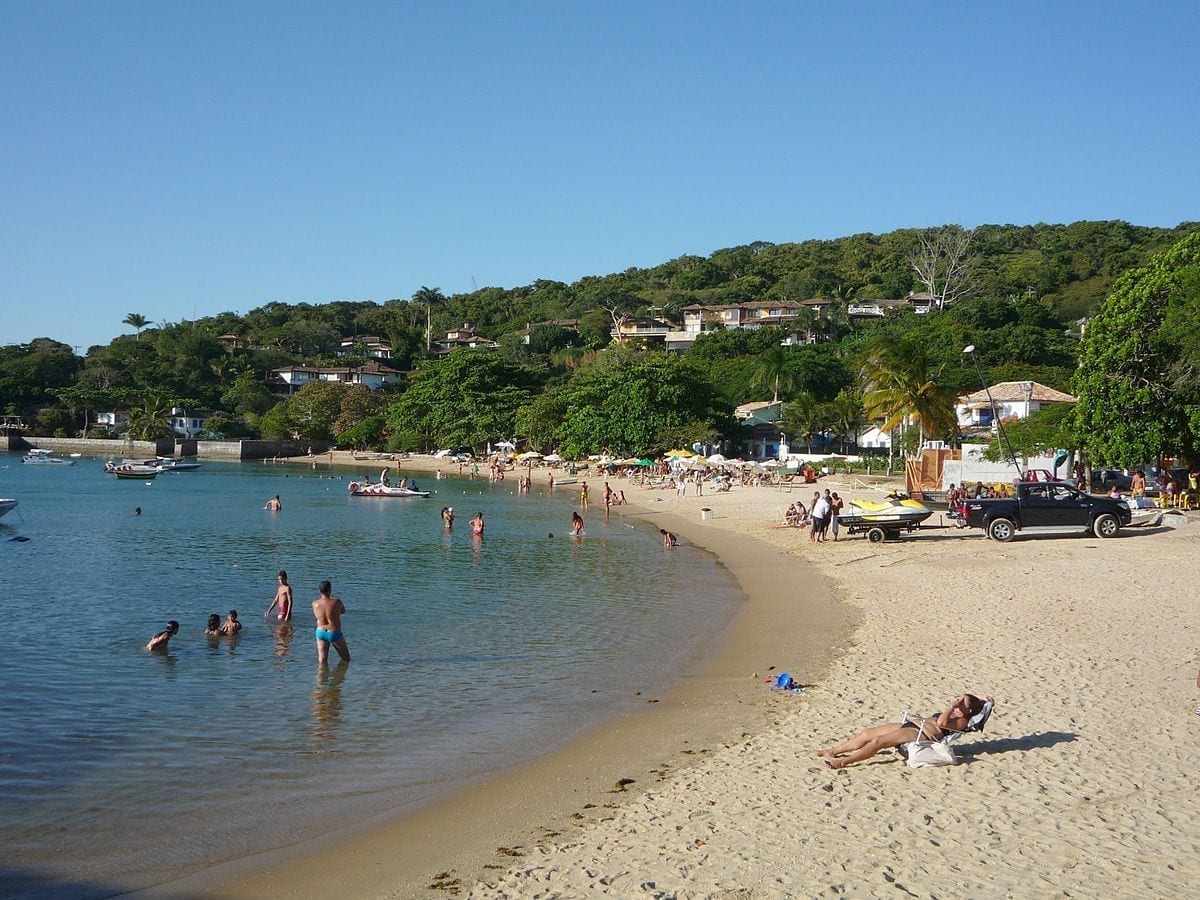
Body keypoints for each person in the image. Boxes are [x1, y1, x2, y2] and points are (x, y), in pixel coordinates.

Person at [818, 693, 989, 769]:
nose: (958, 705)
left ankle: (843, 762)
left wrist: (952, 707)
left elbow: (941, 722)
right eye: (959, 703)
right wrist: (981, 699)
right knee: (868, 733)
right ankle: (833, 751)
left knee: (878, 742)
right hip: (912, 725)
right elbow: (984, 700)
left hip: (921, 734)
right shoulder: (962, 711)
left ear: (968, 711)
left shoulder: (961, 720)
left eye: (962, 706)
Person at [313, 580, 350, 665]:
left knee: (322, 661)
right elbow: (343, 611)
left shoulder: (315, 604)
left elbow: (317, 616)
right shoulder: (337, 602)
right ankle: (339, 676)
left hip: (320, 632)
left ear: (320, 591)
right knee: (346, 659)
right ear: (330, 590)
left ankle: (322, 676)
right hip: (334, 632)